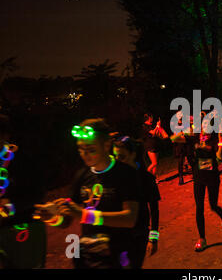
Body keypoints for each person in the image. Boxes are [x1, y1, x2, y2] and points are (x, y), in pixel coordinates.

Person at [35, 118, 142, 269]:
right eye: (80, 149)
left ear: (106, 145)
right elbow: (67, 219)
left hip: (119, 256)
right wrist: (53, 217)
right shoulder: (81, 176)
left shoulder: (125, 174)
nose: (84, 154)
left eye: (91, 149)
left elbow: (129, 218)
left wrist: (84, 215)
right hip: (90, 257)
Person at [171, 115, 222, 252]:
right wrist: (186, 129)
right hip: (198, 177)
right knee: (199, 207)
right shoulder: (194, 137)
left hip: (213, 177)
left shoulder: (215, 139)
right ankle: (202, 239)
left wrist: (220, 143)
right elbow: (173, 139)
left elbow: (220, 158)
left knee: (213, 205)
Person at [0, 114, 46, 268]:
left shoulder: (22, 160)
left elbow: (37, 195)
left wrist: (11, 206)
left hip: (22, 229)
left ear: (5, 135)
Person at [113, 136, 161, 268]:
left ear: (133, 155)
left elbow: (155, 210)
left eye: (121, 157)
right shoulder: (114, 178)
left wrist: (153, 238)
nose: (118, 161)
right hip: (118, 235)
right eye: (115, 157)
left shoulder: (146, 179)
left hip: (138, 235)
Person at [141, 114, 168, 181]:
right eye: (151, 117)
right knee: (154, 163)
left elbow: (156, 133)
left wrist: (159, 127)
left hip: (155, 145)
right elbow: (153, 133)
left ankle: (154, 178)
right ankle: (145, 176)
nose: (152, 118)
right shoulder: (145, 126)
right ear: (149, 118)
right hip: (150, 146)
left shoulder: (151, 125)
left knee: (155, 164)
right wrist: (157, 125)